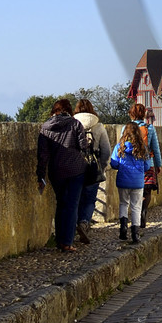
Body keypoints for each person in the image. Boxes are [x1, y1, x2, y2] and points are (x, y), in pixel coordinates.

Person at [36, 99, 87, 252]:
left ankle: (59, 240)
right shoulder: (75, 124)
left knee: (61, 204)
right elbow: (83, 146)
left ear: (54, 111)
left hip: (56, 171)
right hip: (75, 170)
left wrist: (41, 176)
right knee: (72, 206)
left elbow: (43, 155)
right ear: (68, 110)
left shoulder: (45, 128)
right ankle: (67, 242)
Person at [73, 98, 112, 244]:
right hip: (92, 167)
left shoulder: (73, 124)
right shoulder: (99, 126)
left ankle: (73, 226)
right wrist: (101, 166)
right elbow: (106, 150)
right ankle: (84, 222)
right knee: (90, 199)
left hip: (75, 166)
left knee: (75, 197)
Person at [110, 123, 149, 245]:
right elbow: (147, 166)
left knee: (123, 203)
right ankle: (135, 233)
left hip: (123, 180)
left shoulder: (119, 147)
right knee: (136, 207)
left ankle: (123, 228)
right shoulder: (143, 148)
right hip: (137, 182)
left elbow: (114, 164)